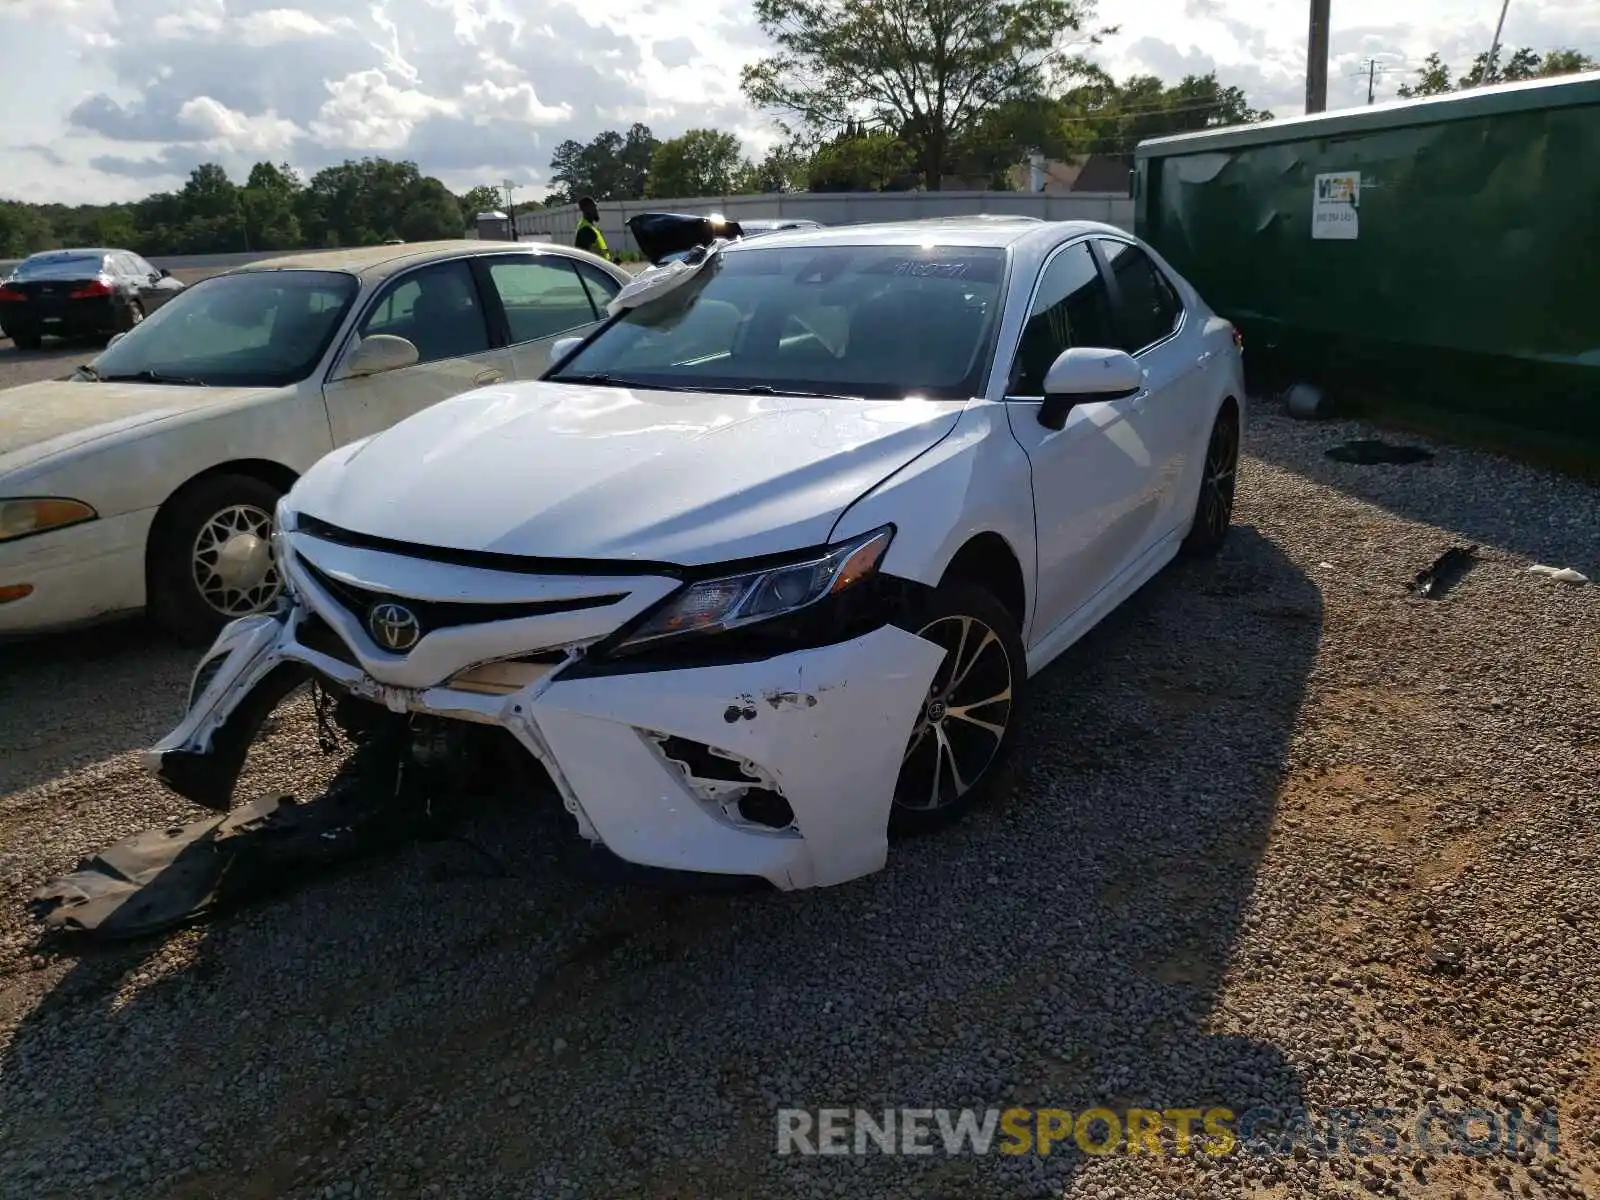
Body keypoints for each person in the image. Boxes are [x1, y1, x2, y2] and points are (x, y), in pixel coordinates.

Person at [573, 197, 615, 262]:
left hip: (602, 268)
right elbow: (584, 257)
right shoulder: (586, 230)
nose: (596, 210)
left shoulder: (591, 227)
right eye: (593, 207)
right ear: (586, 209)